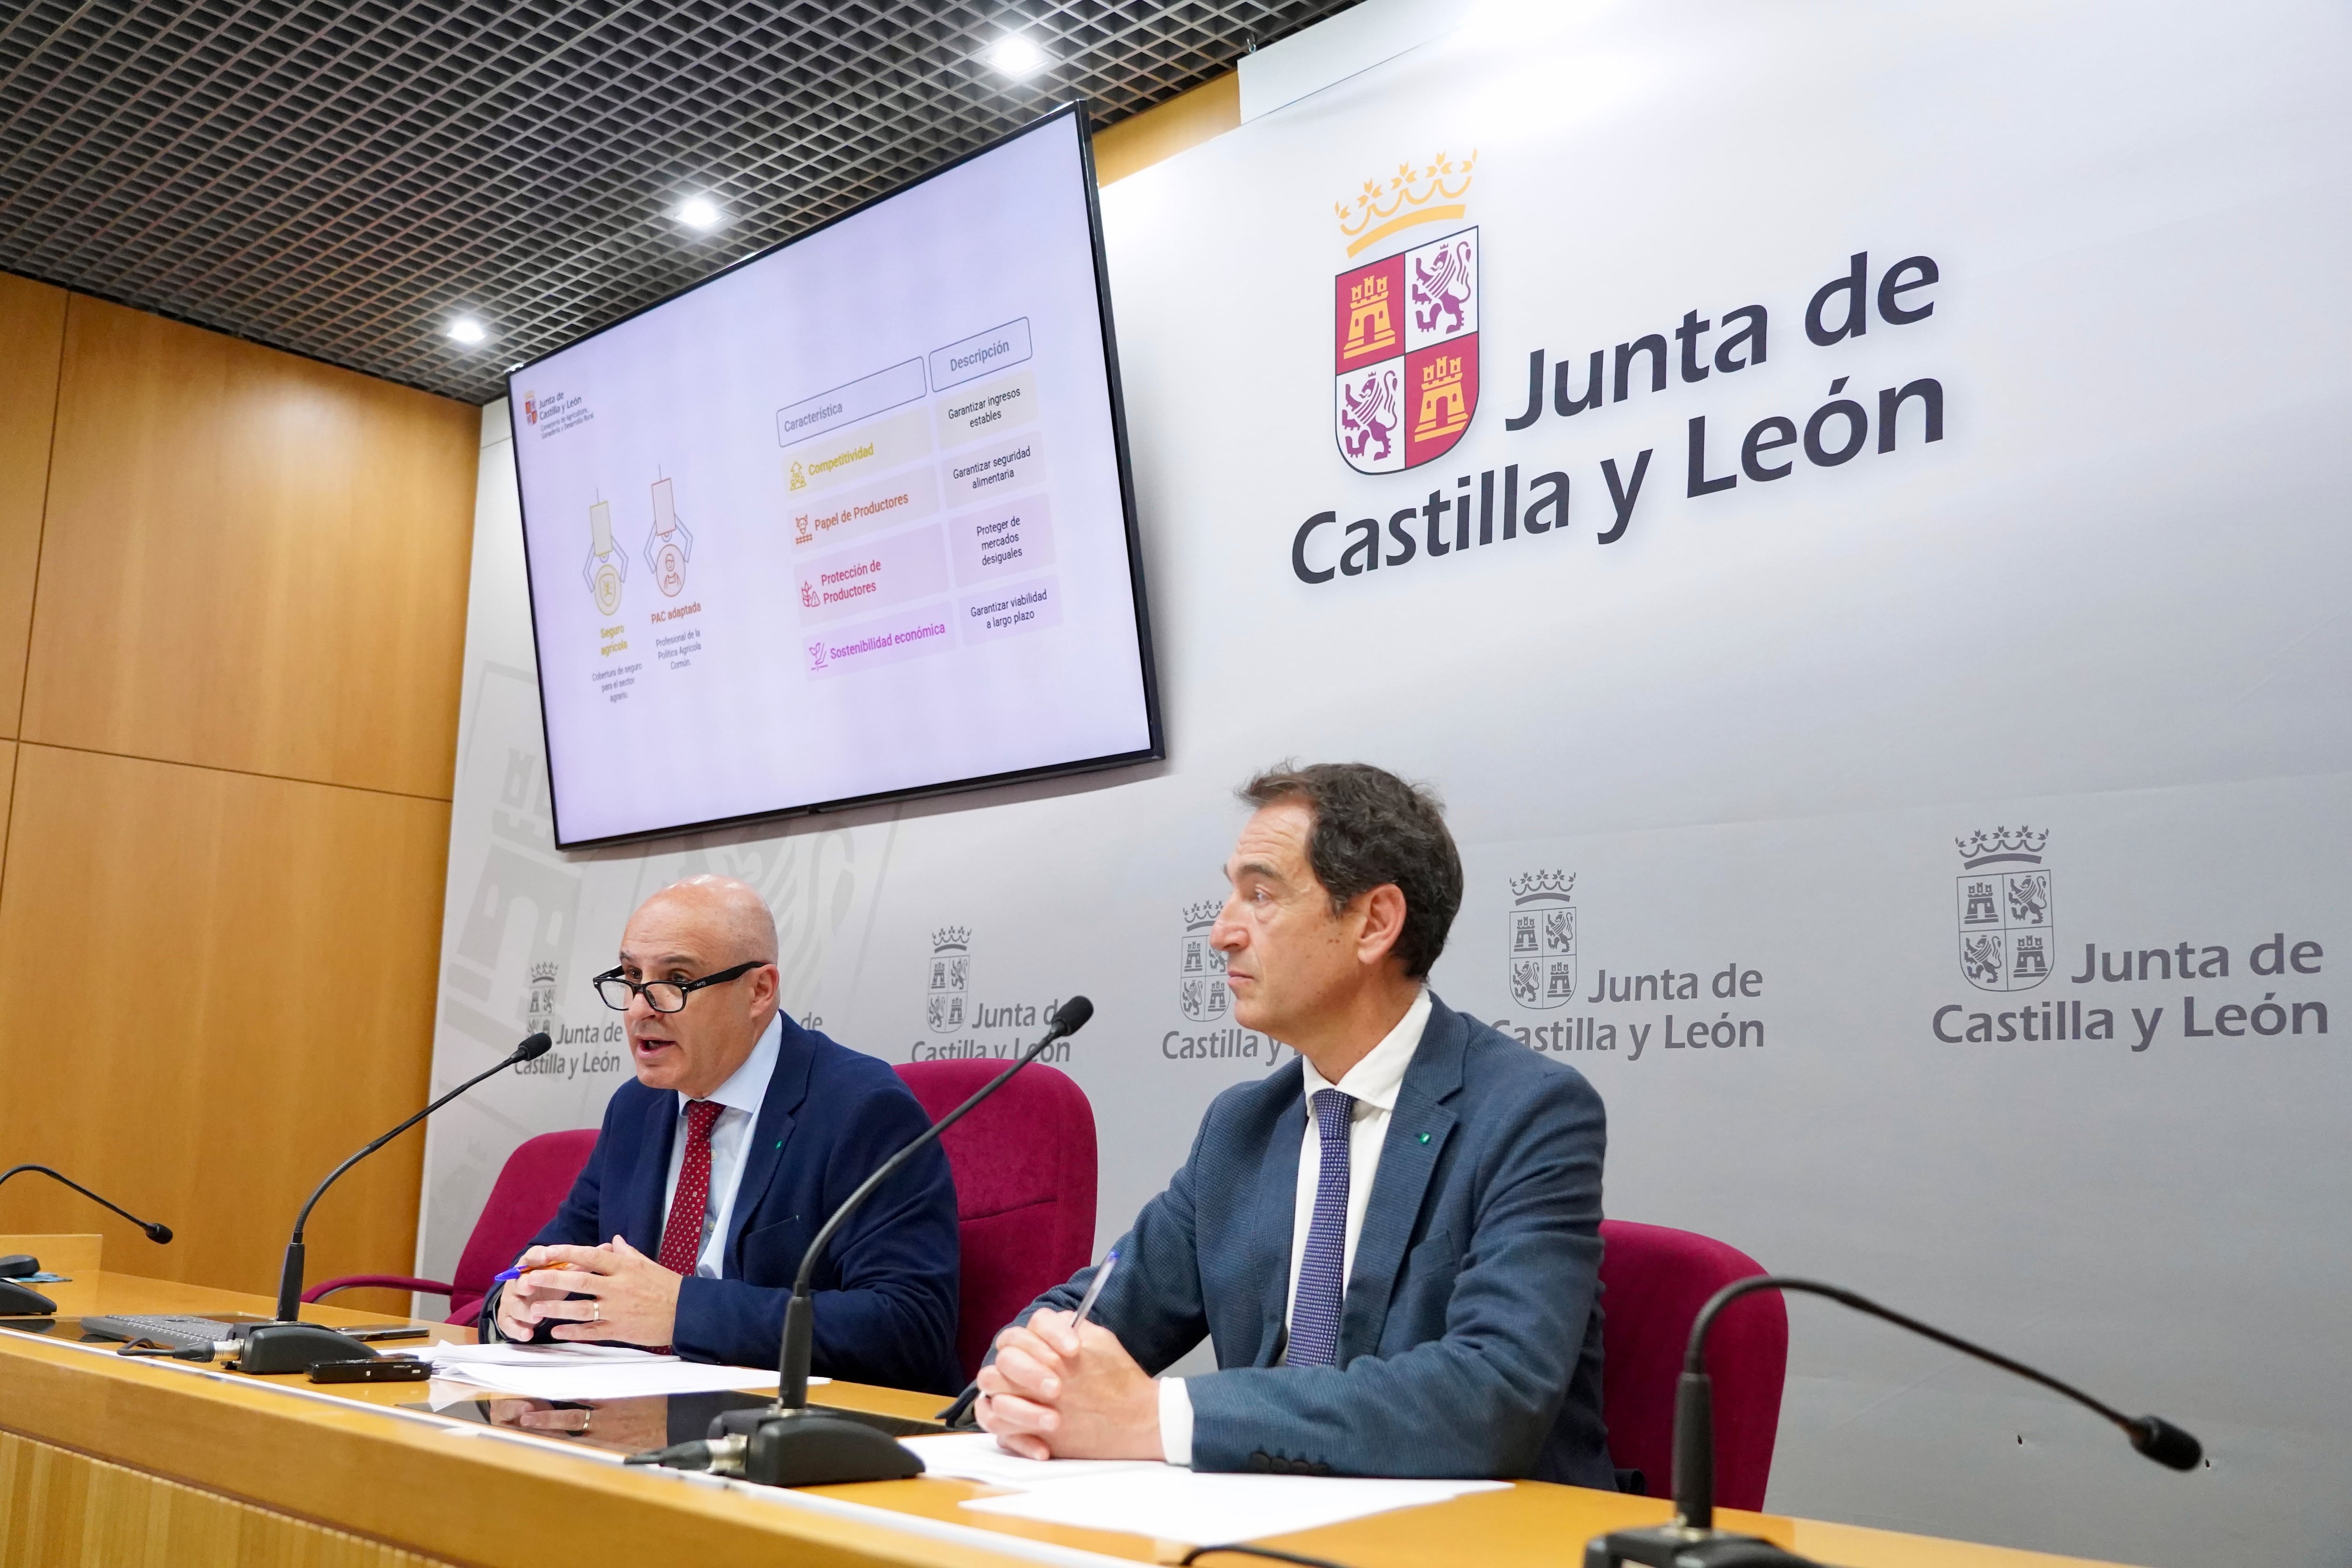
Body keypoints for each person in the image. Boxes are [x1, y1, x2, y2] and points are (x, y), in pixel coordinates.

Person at [976, 764, 1612, 1482]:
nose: (1221, 933)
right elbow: (1094, 1309)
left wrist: (1157, 1416)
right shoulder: (1242, 1126)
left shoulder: (1529, 1112)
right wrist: (1027, 1372)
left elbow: (1493, 1396)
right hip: (1259, 1519)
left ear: (1375, 922)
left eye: (1260, 895)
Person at [483, 875, 963, 1393]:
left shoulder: (859, 1109)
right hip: (639, 1411)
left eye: (677, 979)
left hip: (797, 1426)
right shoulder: (637, 1108)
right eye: (632, 976)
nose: (640, 1008)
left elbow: (909, 1325)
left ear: (759, 991)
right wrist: (519, 1301)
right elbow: (556, 1257)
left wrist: (680, 1310)